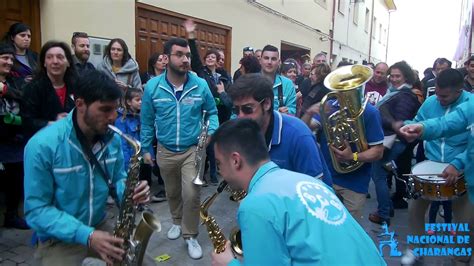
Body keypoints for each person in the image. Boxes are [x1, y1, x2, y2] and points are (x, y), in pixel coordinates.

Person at [210, 119, 386, 266]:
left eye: (219, 164)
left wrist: (228, 263)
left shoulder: (254, 205)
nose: (220, 173)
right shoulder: (307, 181)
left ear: (235, 160)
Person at [23, 70, 151, 265]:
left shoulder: (114, 139)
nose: (113, 117)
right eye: (105, 109)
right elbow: (36, 210)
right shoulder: (42, 145)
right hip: (59, 239)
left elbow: (118, 178)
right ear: (80, 104)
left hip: (99, 225)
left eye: (115, 109)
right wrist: (87, 235)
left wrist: (129, 191)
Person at [140, 37, 219, 259]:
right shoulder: (153, 87)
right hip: (164, 149)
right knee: (172, 192)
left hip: (191, 149)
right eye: (179, 55)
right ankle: (176, 221)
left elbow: (212, 112)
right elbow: (146, 120)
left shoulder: (200, 85)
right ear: (166, 58)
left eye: (188, 55)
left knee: (192, 193)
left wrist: (211, 132)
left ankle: (190, 235)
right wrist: (146, 147)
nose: (185, 59)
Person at [399, 69, 473, 265]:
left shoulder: (470, 104)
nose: (438, 99)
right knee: (414, 209)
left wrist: (458, 164)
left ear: (459, 91)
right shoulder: (432, 101)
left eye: (444, 96)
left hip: (463, 170)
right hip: (431, 166)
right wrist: (409, 127)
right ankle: (416, 249)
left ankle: (460, 258)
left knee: (465, 220)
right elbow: (429, 123)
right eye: (437, 93)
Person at [227, 73, 331, 186]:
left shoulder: (299, 135)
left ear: (266, 104)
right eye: (236, 110)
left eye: (247, 109)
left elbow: (315, 190)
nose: (240, 117)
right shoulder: (248, 130)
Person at [305, 82, 385, 223]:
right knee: (324, 224)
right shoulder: (328, 106)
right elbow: (305, 129)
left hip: (354, 183)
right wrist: (309, 112)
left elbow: (378, 152)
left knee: (350, 230)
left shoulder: (370, 112)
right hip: (326, 178)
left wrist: (353, 156)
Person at [371, 61, 421, 220]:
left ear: (405, 77)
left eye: (397, 76)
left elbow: (399, 122)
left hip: (393, 142)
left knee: (378, 176)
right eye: (391, 75)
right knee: (382, 175)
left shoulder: (405, 95)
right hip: (392, 141)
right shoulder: (394, 92)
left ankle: (384, 212)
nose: (393, 79)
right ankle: (388, 208)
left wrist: (380, 116)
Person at [184, 19, 232, 185]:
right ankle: (206, 174)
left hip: (223, 116)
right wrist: (191, 36)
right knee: (206, 146)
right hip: (206, 115)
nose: (211, 58)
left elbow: (230, 99)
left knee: (218, 147)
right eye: (208, 57)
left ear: (218, 60)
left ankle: (215, 172)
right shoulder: (201, 72)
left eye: (214, 57)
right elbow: (195, 57)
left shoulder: (224, 76)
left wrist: (223, 93)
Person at [21, 41, 77, 137]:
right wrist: (53, 123)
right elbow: (27, 121)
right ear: (44, 63)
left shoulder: (76, 86)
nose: (55, 61)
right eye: (49, 57)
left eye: (60, 57)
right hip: (44, 140)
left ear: (68, 62)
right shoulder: (32, 88)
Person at [0, 42, 28, 229]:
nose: (9, 62)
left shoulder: (14, 81)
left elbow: (24, 99)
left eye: (11, 58)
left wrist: (4, 90)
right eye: (4, 58)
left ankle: (11, 215)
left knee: (16, 177)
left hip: (13, 139)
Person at [260, 45, 297, 115]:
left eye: (273, 59)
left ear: (279, 62)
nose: (269, 62)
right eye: (266, 58)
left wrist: (287, 111)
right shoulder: (250, 82)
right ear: (260, 60)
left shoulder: (288, 84)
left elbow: (292, 110)